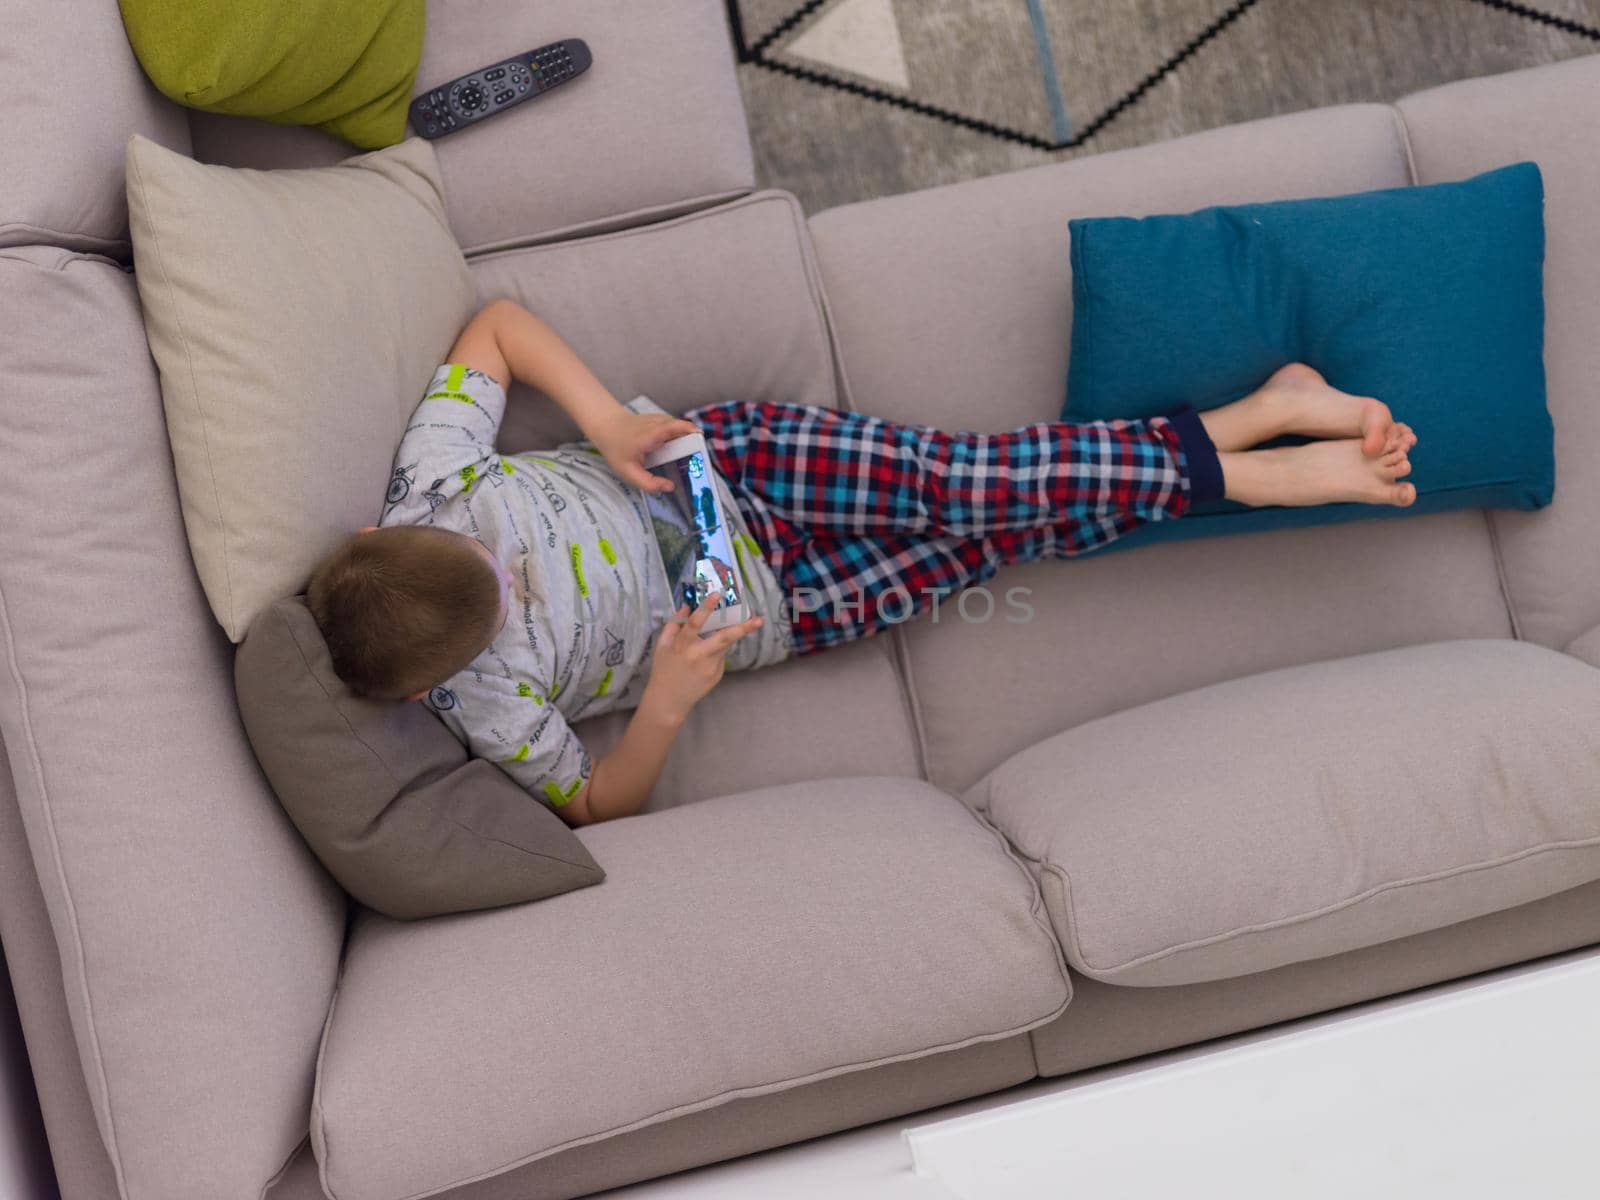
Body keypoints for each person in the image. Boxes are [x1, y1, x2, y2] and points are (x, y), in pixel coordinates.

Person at [308, 300, 1417, 825]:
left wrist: (597, 420)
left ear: (380, 532)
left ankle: (1268, 471)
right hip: (780, 606)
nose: (512, 582)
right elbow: (595, 801)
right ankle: (1251, 415)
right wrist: (667, 705)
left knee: (968, 486)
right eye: (503, 610)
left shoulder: (429, 487)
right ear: (424, 690)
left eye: (489, 561)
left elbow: (497, 327)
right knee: (1011, 531)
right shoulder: (485, 706)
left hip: (740, 468)